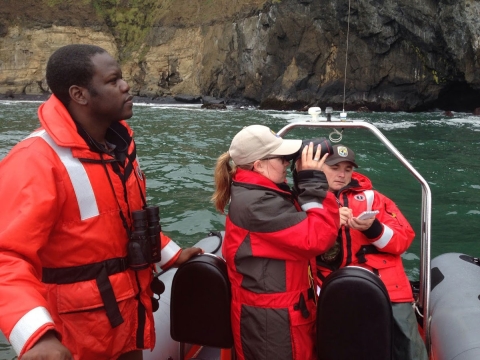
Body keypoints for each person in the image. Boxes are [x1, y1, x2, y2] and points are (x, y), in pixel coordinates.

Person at [0, 44, 202, 360]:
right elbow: (7, 257)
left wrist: (172, 255)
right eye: (113, 80)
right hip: (75, 339)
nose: (126, 86)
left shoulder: (117, 151)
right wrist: (38, 337)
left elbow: (122, 222)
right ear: (80, 94)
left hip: (127, 324)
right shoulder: (35, 161)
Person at [212, 125, 340, 360]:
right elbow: (317, 238)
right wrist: (312, 183)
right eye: (281, 158)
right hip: (272, 324)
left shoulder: (261, 192)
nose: (286, 163)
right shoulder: (257, 204)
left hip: (280, 314)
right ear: (258, 165)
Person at [315, 144, 428, 360]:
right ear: (319, 167)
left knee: (408, 346)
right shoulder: (309, 201)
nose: (341, 174)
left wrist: (373, 228)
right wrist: (328, 223)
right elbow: (300, 243)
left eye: (348, 169)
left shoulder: (375, 199)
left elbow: (403, 239)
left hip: (384, 281)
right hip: (327, 282)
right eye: (335, 167)